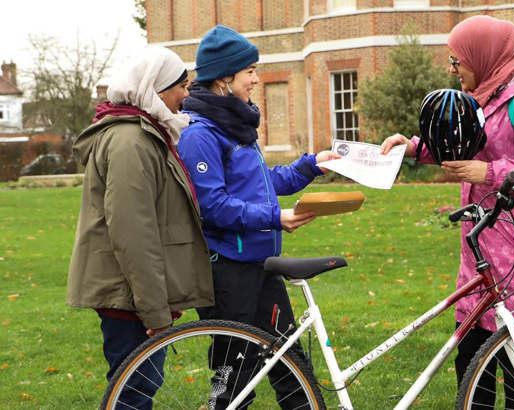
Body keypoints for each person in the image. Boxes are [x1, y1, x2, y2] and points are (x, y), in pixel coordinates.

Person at [382, 15, 514, 408]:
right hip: (487, 253)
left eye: (457, 61)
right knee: (472, 366)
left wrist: (490, 173)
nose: (451, 69)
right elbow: (471, 143)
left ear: (483, 57)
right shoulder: (490, 94)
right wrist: (414, 148)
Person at [176, 25, 338, 409]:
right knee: (234, 376)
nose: (255, 78)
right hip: (228, 269)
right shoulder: (201, 134)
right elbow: (212, 206)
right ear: (224, 77)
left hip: (261, 265)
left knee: (290, 360)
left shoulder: (236, 126)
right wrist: (275, 218)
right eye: (249, 70)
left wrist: (312, 164)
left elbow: (266, 182)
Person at [67, 46, 214, 408]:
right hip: (129, 296)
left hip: (133, 293)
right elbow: (133, 233)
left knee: (135, 388)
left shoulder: (145, 134)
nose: (186, 95)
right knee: (133, 392)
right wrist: (154, 312)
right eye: (182, 85)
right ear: (156, 87)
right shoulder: (131, 142)